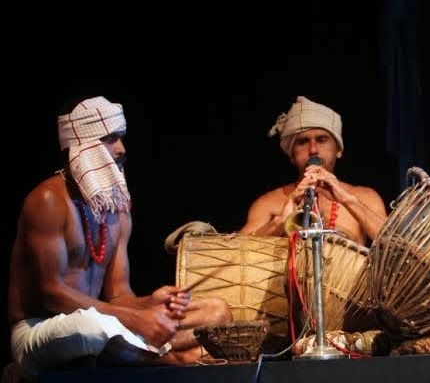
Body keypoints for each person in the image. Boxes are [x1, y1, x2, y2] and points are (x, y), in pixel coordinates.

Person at [7, 96, 231, 378]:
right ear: (81, 146)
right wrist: (137, 319)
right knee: (90, 328)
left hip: (105, 325)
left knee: (215, 312)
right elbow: (52, 295)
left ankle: (138, 353)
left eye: (121, 138)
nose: (121, 148)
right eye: (109, 138)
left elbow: (118, 295)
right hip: (40, 331)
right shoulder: (48, 200)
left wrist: (150, 303)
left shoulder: (118, 208)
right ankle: (170, 360)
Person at [240, 96, 387, 246]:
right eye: (303, 142)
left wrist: (347, 200)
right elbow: (235, 251)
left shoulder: (365, 197)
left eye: (322, 139)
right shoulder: (268, 203)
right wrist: (279, 223)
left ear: (338, 149)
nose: (313, 150)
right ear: (291, 155)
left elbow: (393, 246)